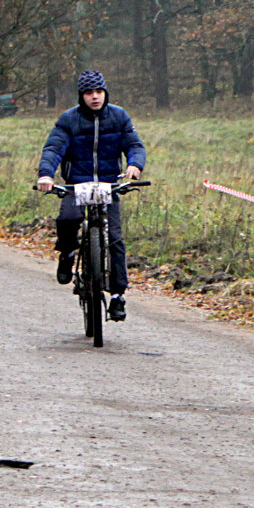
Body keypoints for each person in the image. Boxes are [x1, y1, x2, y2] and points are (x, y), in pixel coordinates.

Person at [37, 70, 145, 322]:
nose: (94, 97)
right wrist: (46, 175)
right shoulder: (68, 120)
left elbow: (134, 144)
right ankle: (67, 254)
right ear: (81, 96)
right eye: (89, 93)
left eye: (98, 92)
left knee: (115, 239)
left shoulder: (119, 117)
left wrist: (135, 165)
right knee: (67, 219)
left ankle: (118, 296)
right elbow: (54, 148)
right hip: (77, 184)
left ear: (105, 93)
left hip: (108, 185)